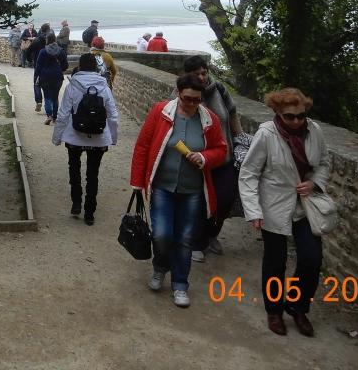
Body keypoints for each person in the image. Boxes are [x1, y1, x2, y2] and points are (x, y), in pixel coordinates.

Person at [130, 72, 227, 308]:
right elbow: (143, 145)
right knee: (162, 234)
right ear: (178, 93)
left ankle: (181, 284)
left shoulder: (209, 120)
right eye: (187, 99)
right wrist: (137, 182)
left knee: (184, 238)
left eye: (197, 100)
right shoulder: (161, 112)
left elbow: (221, 150)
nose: (192, 104)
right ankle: (160, 267)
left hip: (192, 190)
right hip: (162, 186)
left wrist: (204, 157)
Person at [239, 87, 329, 337]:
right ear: (277, 112)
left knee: (311, 259)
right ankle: (274, 311)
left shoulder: (315, 131)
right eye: (290, 116)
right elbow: (248, 174)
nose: (296, 121)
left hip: (305, 205)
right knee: (275, 262)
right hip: (274, 206)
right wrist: (254, 210)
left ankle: (297, 307)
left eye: (300, 116)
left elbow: (323, 163)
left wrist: (314, 183)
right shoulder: (266, 134)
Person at [182, 55, 242, 262]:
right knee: (198, 201)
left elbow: (232, 114)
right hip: (196, 160)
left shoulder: (219, 90)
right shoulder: (182, 92)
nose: (202, 77)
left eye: (204, 72)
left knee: (225, 198)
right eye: (196, 74)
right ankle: (196, 242)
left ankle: (211, 234)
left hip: (224, 156)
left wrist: (239, 138)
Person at [52, 53, 119, 225]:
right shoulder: (104, 87)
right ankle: (90, 212)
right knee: (93, 174)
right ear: (96, 68)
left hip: (75, 136)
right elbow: (112, 115)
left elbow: (63, 114)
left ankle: (76, 202)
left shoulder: (72, 86)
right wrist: (113, 137)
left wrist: (57, 137)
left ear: (80, 67)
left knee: (74, 169)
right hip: (98, 137)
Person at [34, 34, 68, 125]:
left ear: (47, 40)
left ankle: (49, 115)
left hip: (45, 76)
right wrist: (60, 69)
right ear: (55, 40)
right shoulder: (61, 51)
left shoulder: (43, 51)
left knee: (47, 96)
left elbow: (38, 66)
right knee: (55, 97)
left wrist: (36, 76)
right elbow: (65, 65)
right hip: (57, 76)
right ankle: (54, 117)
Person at [27, 22, 52, 111]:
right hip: (49, 64)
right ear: (48, 30)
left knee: (37, 84)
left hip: (38, 64)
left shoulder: (37, 40)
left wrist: (30, 60)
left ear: (41, 29)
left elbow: (28, 51)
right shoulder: (51, 40)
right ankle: (48, 105)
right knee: (48, 85)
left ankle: (39, 101)